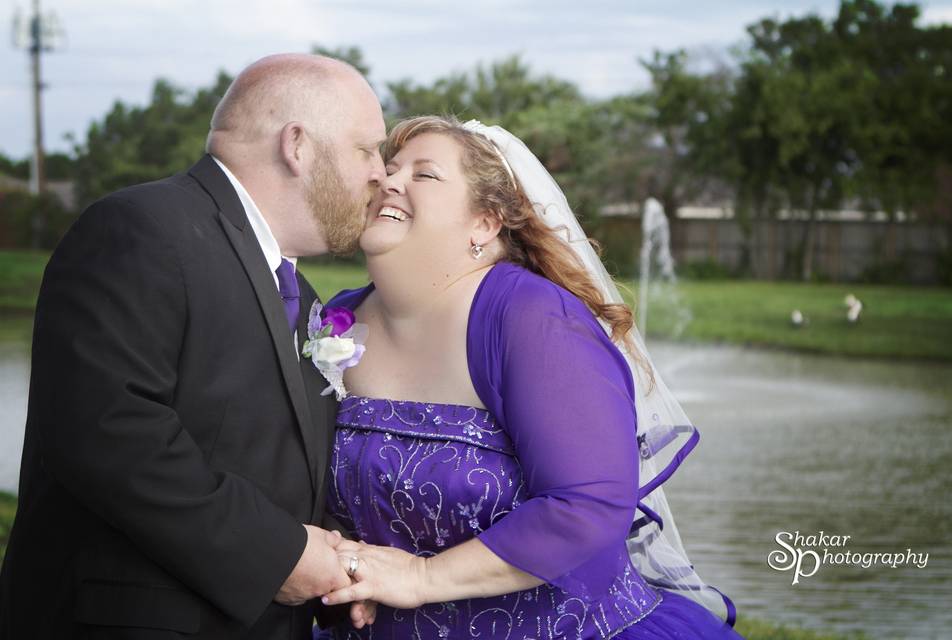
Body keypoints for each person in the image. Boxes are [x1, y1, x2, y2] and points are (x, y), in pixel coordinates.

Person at [0, 53, 386, 639]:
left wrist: (335, 573)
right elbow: (109, 433)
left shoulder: (300, 292)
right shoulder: (140, 227)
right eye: (367, 149)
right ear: (298, 145)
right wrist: (278, 555)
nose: (380, 173)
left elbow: (274, 457)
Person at [315, 116, 744, 639]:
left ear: (485, 224)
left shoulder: (530, 318)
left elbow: (586, 505)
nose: (390, 181)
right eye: (388, 168)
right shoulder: (337, 320)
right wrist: (341, 565)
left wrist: (421, 577)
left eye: (424, 175)